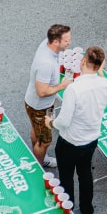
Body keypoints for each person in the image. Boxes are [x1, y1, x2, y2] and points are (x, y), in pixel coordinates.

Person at [48, 46, 107, 214]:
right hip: (91, 139)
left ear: (83, 61)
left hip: (70, 141)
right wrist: (101, 74)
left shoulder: (74, 89)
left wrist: (51, 122)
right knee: (85, 174)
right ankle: (87, 211)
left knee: (66, 176)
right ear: (100, 66)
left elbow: (63, 121)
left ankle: (68, 209)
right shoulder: (105, 84)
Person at [25, 24, 73, 168]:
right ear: (56, 42)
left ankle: (39, 157)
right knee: (45, 140)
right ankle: (38, 168)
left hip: (39, 104)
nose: (69, 43)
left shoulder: (47, 45)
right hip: (40, 106)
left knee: (37, 130)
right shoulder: (46, 64)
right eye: (66, 41)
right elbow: (42, 91)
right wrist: (62, 86)